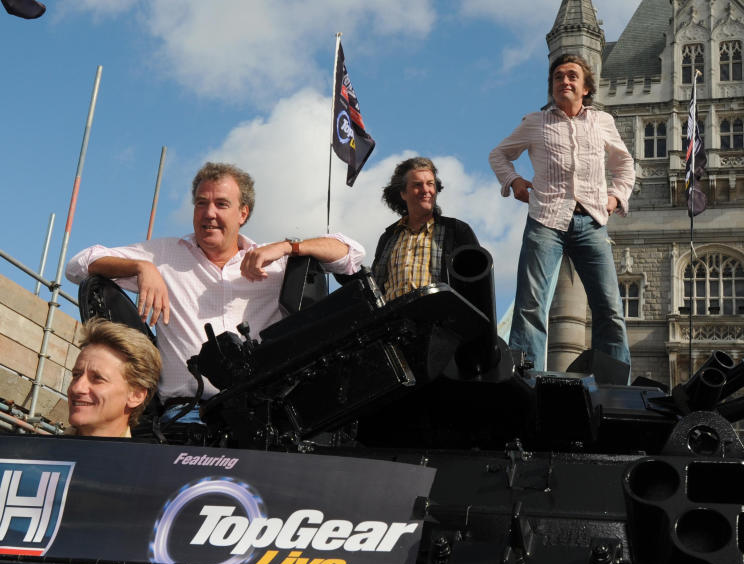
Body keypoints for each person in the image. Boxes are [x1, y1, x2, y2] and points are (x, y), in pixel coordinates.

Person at [66, 162, 364, 405]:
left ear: (243, 213)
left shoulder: (275, 262)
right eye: (201, 203)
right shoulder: (164, 254)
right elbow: (79, 264)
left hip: (262, 413)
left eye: (222, 204)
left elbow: (351, 254)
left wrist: (289, 247)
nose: (209, 213)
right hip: (183, 415)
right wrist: (140, 266)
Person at [489, 54, 635, 373]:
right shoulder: (535, 122)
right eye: (557, 77)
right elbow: (499, 154)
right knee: (531, 307)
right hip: (546, 221)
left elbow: (624, 164)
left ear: (585, 88)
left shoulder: (602, 122)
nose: (563, 81)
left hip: (591, 222)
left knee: (609, 308)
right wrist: (513, 182)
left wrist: (615, 197)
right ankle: (526, 382)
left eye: (571, 76)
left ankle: (614, 389)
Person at [372, 157, 478, 301]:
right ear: (403, 193)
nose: (425, 190)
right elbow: (375, 287)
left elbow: (477, 282)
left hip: (439, 317)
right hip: (393, 319)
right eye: (417, 185)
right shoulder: (388, 237)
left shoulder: (456, 231)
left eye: (430, 184)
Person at [68, 318, 163, 437]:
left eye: (97, 378)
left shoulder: (148, 456)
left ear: (136, 395)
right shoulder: (40, 452)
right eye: (76, 375)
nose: (77, 388)